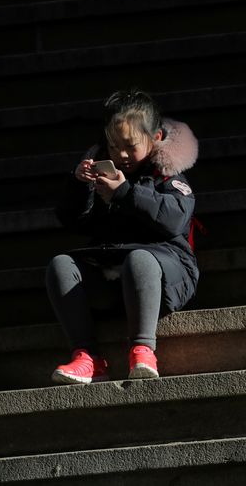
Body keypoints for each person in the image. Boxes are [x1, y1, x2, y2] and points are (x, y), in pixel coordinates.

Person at [47, 90, 200, 384]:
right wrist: (81, 186)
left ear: (155, 138)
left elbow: (174, 218)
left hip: (164, 272)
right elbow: (74, 221)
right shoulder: (105, 170)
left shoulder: (168, 174)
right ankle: (88, 358)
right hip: (113, 274)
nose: (122, 155)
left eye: (131, 146)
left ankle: (142, 349)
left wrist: (126, 193)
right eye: (114, 146)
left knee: (139, 259)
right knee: (61, 264)